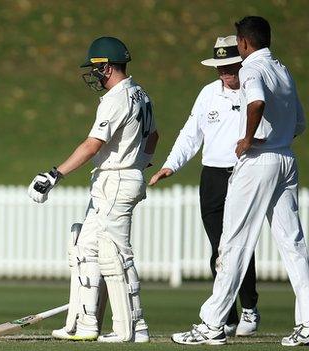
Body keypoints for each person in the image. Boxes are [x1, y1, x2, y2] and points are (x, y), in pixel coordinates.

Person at [172, 16, 308, 346]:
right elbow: (300, 123)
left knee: (232, 243)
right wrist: (273, 140)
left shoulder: (251, 69)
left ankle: (212, 325)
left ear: (244, 43)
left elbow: (257, 101)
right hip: (286, 159)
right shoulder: (282, 69)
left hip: (258, 163)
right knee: (294, 246)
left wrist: (249, 138)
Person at [28, 36, 159, 343]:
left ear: (109, 67)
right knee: (85, 248)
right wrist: (142, 164)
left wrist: (55, 174)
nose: (94, 75)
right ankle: (87, 324)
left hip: (116, 180)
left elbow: (92, 145)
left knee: (116, 254)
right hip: (117, 178)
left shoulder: (117, 98)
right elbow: (154, 136)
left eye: (97, 68)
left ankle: (131, 327)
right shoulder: (141, 94)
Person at [149, 35, 260, 337]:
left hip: (244, 174)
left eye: (231, 67)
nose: (226, 74)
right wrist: (170, 165)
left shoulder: (254, 90)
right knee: (218, 250)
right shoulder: (208, 94)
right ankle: (227, 315)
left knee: (238, 245)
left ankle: (250, 306)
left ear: (242, 63)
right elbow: (190, 135)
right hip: (211, 177)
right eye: (220, 68)